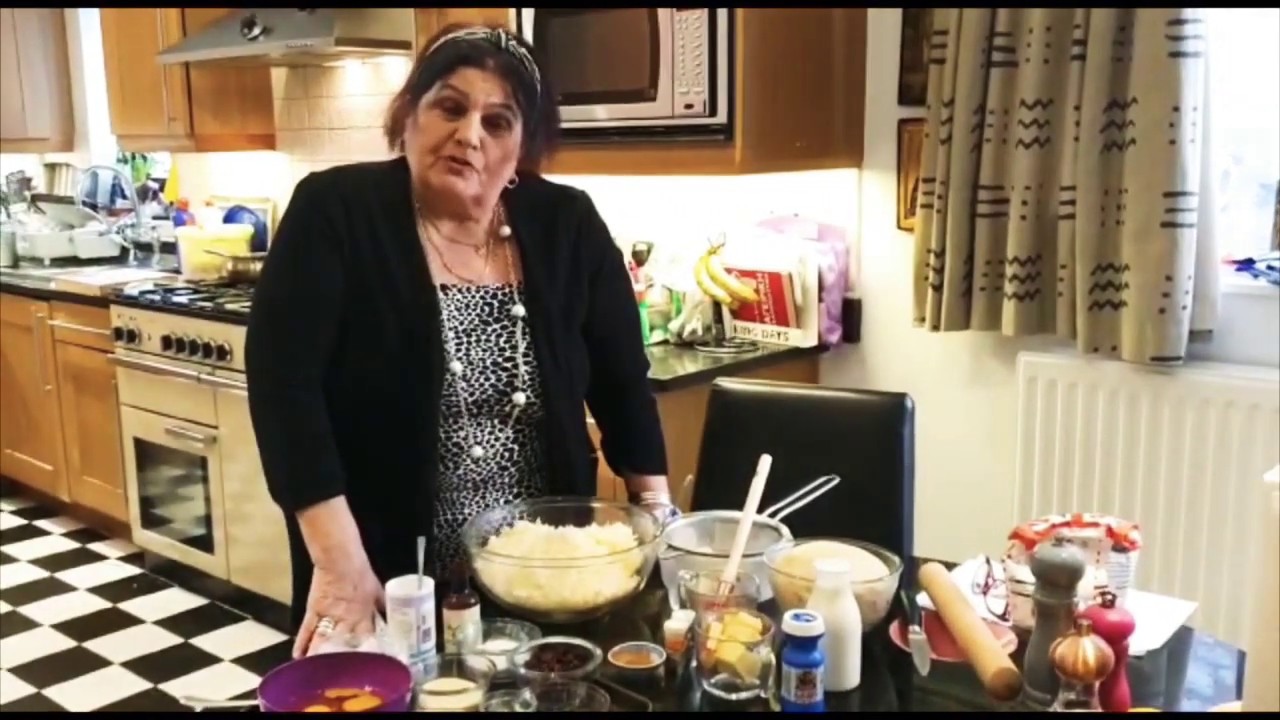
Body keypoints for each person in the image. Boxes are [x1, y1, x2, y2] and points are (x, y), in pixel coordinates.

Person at [245, 24, 675, 658]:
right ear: (410, 114)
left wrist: (659, 518)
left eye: (498, 122)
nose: (470, 134)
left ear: (522, 145)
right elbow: (285, 391)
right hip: (385, 572)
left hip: (544, 575)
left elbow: (621, 383)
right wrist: (338, 566)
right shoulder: (335, 210)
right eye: (451, 106)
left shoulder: (568, 224)